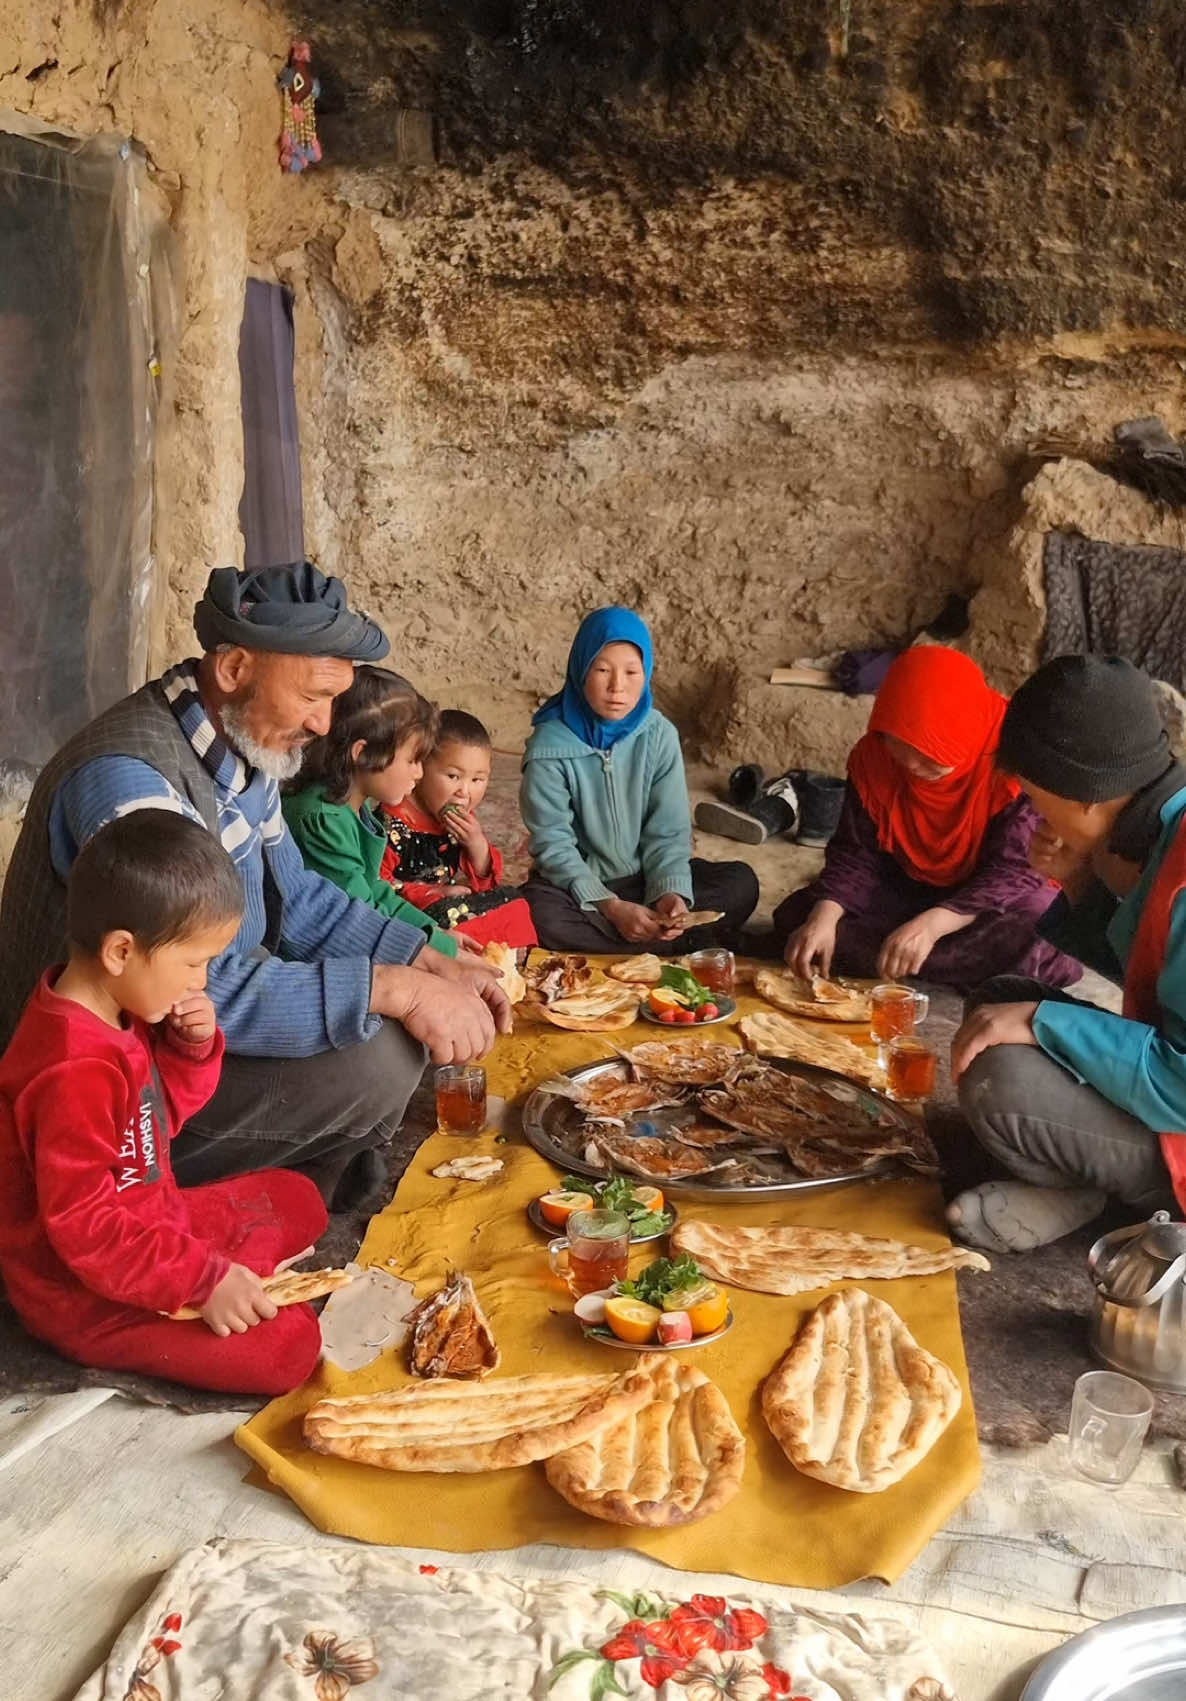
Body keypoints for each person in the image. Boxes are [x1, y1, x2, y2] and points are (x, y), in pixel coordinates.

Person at [0, 563, 511, 1212]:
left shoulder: (243, 747)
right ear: (236, 669)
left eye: (335, 699)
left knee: (396, 1021)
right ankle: (185, 1211)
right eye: (312, 697)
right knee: (379, 1056)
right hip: (105, 1086)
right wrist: (395, 987)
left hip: (186, 1037)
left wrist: (425, 955)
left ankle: (293, 1189)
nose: (326, 725)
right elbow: (191, 985)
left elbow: (295, 898)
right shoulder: (133, 788)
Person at [0, 812, 327, 1396]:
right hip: (83, 1290)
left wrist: (188, 1048)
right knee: (288, 1348)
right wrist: (202, 1280)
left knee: (298, 1197)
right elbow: (88, 1229)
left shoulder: (119, 1010)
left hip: (152, 1214)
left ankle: (231, 1271)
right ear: (122, 951)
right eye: (193, 963)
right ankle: (227, 1276)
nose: (199, 982)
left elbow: (157, 1124)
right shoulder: (71, 1068)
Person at [949, 655, 1185, 1255]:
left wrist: (1043, 1021)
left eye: (1033, 794)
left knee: (1000, 1078)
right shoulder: (1165, 830)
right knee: (996, 1002)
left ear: (1083, 797)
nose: (1031, 812)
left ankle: (1081, 1192)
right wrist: (1080, 884)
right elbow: (1158, 984)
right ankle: (1081, 1174)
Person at [774, 646, 1080, 989]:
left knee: (1039, 928)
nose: (914, 769)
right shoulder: (873, 757)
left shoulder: (1013, 758)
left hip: (987, 901)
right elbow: (856, 852)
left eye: (931, 758)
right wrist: (825, 916)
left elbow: (1015, 871)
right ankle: (936, 962)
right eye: (900, 751)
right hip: (906, 886)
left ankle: (906, 958)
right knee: (801, 918)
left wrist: (932, 926)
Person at [520, 607, 758, 952]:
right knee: (535, 914)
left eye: (632, 672)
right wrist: (610, 906)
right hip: (580, 891)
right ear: (580, 669)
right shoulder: (549, 747)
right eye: (602, 670)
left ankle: (650, 936)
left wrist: (670, 892)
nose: (617, 687)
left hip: (644, 879)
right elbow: (554, 846)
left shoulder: (658, 734)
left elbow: (668, 829)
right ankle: (681, 942)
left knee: (741, 883)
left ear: (646, 673)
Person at [282, 668, 467, 958]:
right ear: (363, 753)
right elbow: (362, 915)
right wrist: (440, 953)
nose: (419, 773)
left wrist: (439, 936)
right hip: (317, 958)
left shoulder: (352, 805)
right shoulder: (322, 818)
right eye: (413, 760)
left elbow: (375, 891)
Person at [380, 708, 536, 949]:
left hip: (450, 905)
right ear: (420, 768)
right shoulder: (392, 823)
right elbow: (377, 886)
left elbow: (486, 886)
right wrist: (432, 892)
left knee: (515, 904)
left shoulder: (459, 822)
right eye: (453, 776)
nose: (464, 791)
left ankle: (503, 965)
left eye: (477, 780)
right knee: (454, 922)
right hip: (409, 915)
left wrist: (477, 845)